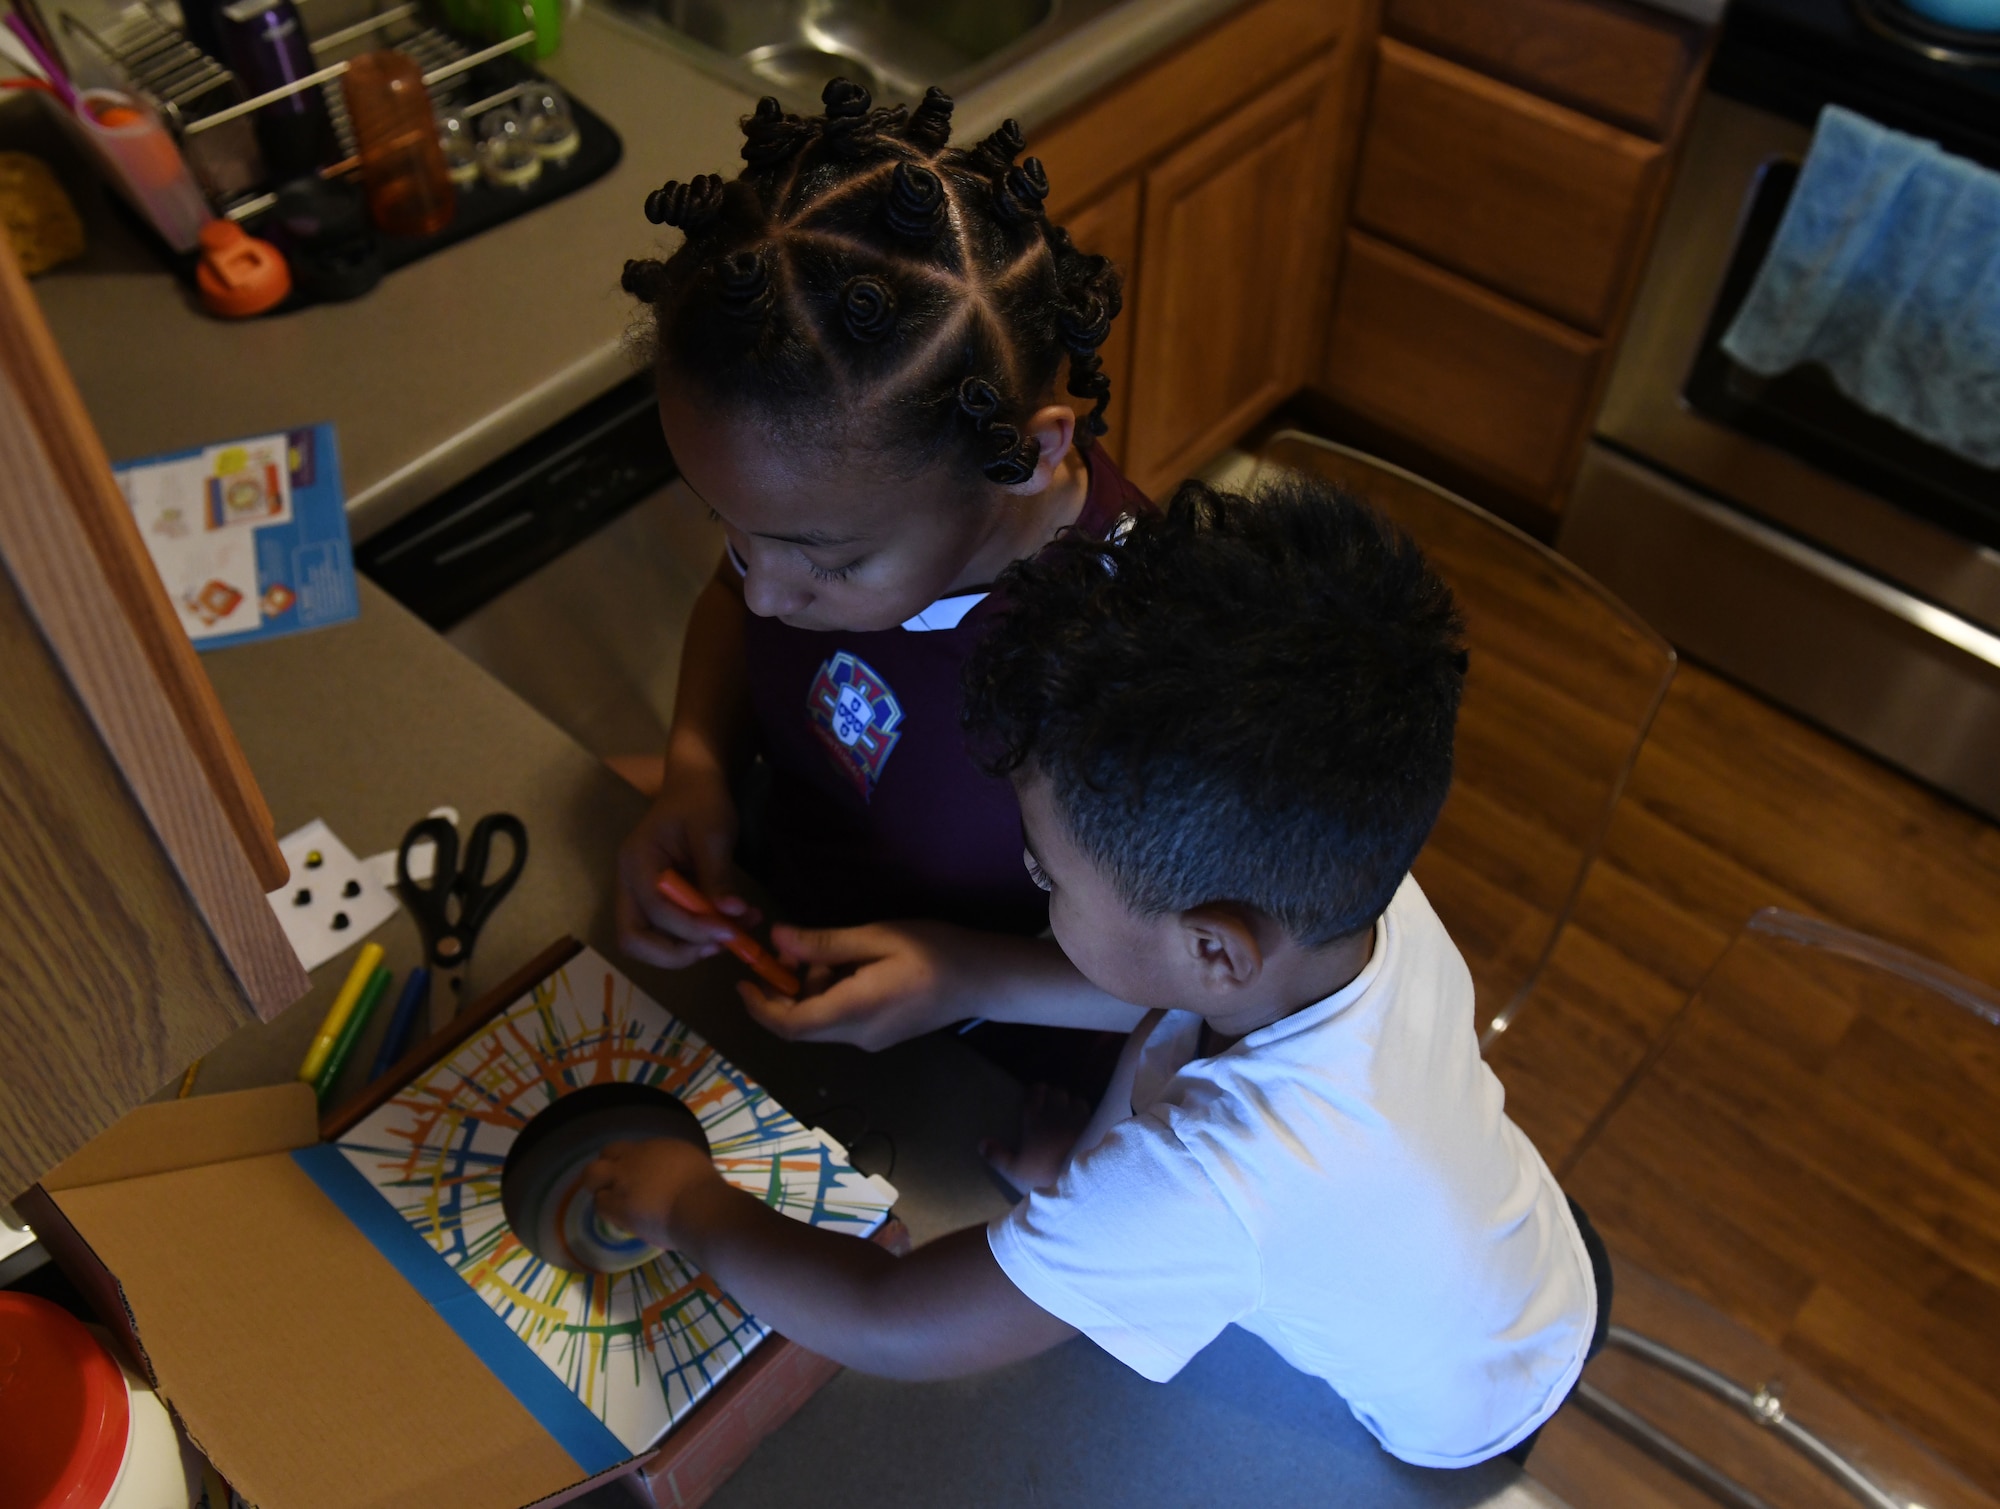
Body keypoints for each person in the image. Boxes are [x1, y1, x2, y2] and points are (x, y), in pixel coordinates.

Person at [584, 477, 1610, 1469]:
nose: (1032, 878)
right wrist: (1048, 1109)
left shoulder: (1219, 1177)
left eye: (1049, 878)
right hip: (1525, 1233)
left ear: (1213, 947)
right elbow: (1176, 1008)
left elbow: (889, 1321)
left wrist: (687, 1204)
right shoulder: (1345, 895)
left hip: (1464, 1407)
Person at [614, 78, 1149, 1068]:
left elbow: (1230, 983)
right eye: (731, 534)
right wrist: (697, 772)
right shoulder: (807, 523)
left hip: (993, 1074)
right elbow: (738, 608)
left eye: (834, 563)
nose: (765, 590)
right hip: (793, 969)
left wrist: (966, 976)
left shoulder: (1145, 649)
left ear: (1028, 455)